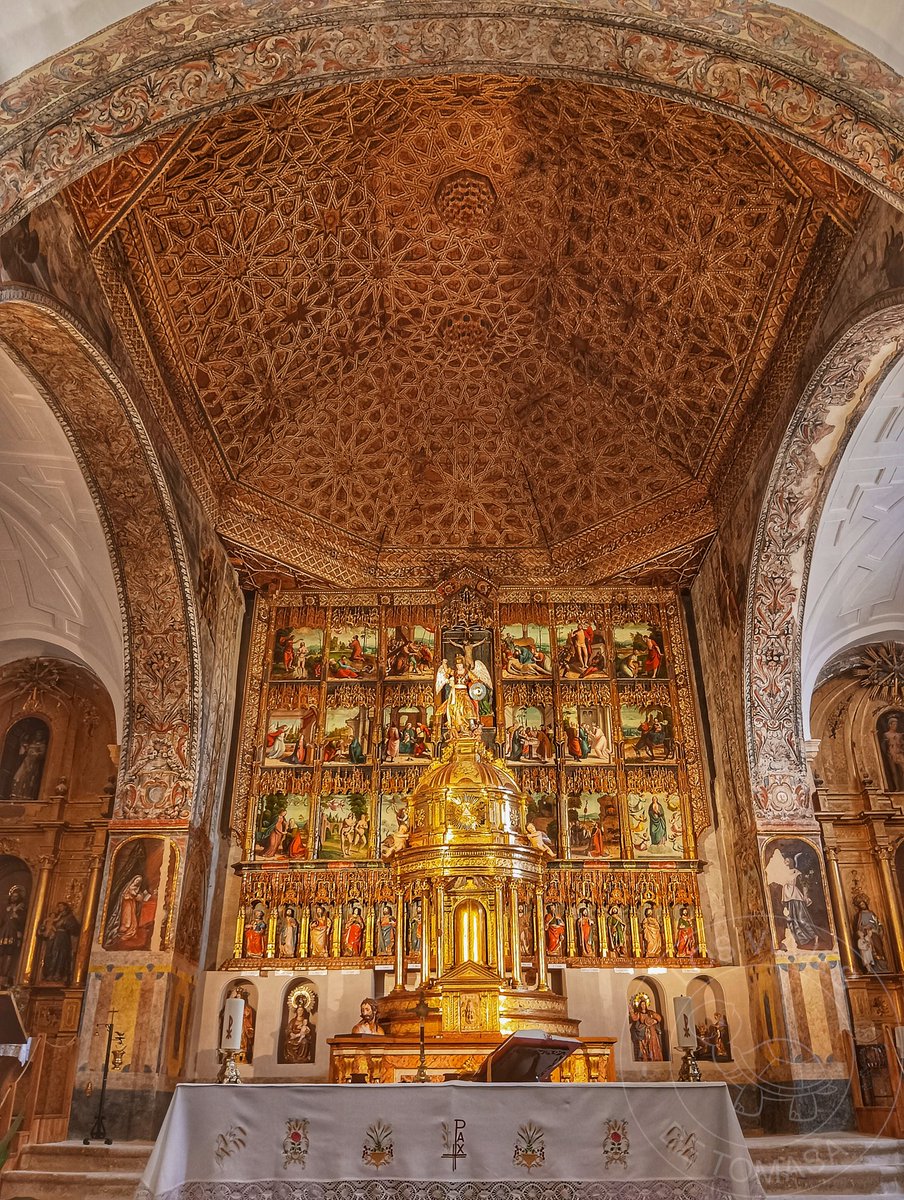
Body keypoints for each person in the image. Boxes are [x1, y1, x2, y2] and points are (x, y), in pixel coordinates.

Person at [781, 854, 818, 947]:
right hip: (787, 897)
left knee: (801, 919)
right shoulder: (781, 873)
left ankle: (814, 936)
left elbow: (804, 884)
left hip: (796, 896)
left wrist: (805, 896)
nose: (785, 863)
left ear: (791, 863)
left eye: (787, 861)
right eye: (784, 861)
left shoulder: (796, 872)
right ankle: (799, 940)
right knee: (792, 920)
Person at [40, 901, 81, 983]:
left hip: (63, 938)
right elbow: (48, 926)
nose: (59, 908)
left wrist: (67, 924)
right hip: (54, 938)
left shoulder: (69, 917)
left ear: (65, 907)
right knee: (51, 955)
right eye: (58, 906)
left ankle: (58, 974)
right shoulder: (56, 917)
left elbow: (76, 929)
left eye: (61, 906)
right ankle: (49, 974)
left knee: (61, 955)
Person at [0, 884, 28, 982]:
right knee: (1, 952)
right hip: (4, 931)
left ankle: (5, 974)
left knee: (9, 952)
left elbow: (23, 921)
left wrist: (16, 915)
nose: (13, 898)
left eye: (16, 896)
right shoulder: (7, 908)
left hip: (13, 931)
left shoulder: (21, 909)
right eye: (12, 896)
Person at [629, 994, 664, 1061]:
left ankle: (654, 1057)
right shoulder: (639, 1013)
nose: (643, 1006)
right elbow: (634, 1018)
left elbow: (659, 1017)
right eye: (642, 1005)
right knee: (644, 1045)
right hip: (643, 1032)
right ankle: (646, 1058)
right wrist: (631, 1011)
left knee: (652, 1044)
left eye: (644, 1004)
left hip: (651, 1031)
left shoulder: (650, 1012)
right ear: (640, 1005)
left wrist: (655, 1021)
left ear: (646, 1005)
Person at [284, 996, 314, 1063]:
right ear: (297, 1011)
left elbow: (308, 1031)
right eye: (299, 1010)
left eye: (302, 1010)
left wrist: (303, 1034)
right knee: (288, 1042)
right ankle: (292, 1058)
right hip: (293, 1038)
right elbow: (288, 1029)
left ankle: (301, 1058)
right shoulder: (293, 1021)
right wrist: (291, 1033)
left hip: (302, 1037)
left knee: (304, 1042)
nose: (300, 1012)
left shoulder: (305, 1021)